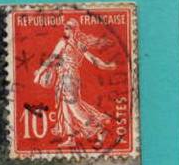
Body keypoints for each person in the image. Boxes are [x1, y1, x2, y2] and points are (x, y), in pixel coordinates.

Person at [33, 18, 117, 148]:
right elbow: (53, 58)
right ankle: (70, 137)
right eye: (65, 28)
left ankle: (99, 129)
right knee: (65, 107)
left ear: (74, 30)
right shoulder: (67, 43)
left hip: (70, 77)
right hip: (63, 77)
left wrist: (105, 66)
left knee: (74, 107)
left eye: (67, 28)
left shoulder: (75, 44)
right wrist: (40, 72)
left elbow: (92, 59)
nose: (64, 30)